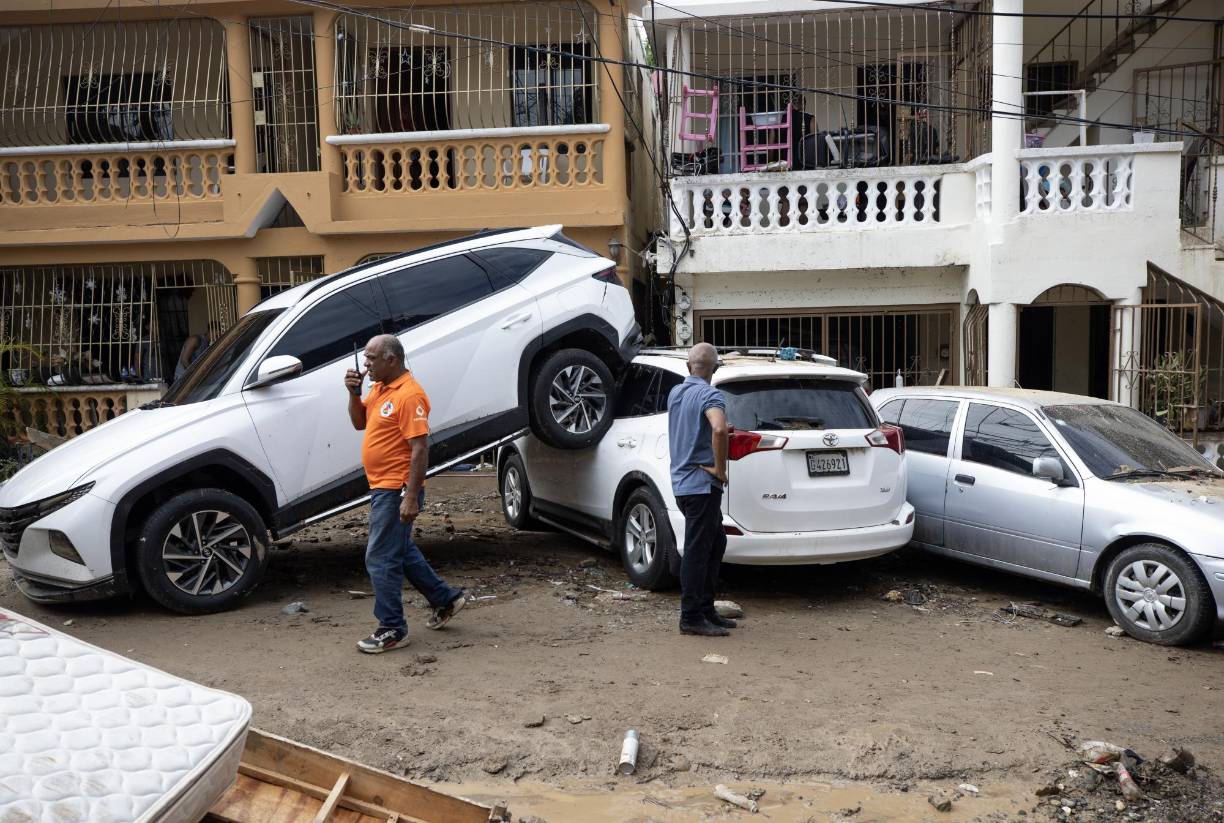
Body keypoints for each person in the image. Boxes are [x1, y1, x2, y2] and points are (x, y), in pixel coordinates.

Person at [344, 334, 469, 654]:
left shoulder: (410, 395)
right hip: (382, 486)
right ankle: (447, 599)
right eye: (365, 358)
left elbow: (420, 449)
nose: (365, 364)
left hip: (395, 488)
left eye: (371, 358)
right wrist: (353, 394)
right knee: (399, 551)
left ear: (391, 359)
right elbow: (359, 423)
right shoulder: (379, 389)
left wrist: (410, 496)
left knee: (380, 557)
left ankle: (392, 628)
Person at [666, 342, 732, 637]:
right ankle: (690, 617)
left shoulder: (676, 393)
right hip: (702, 485)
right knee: (697, 550)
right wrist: (720, 468)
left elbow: (702, 429)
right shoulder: (710, 394)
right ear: (715, 369)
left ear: (688, 366)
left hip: (682, 483)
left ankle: (706, 609)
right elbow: (717, 428)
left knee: (715, 542)